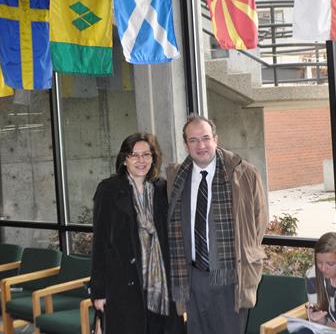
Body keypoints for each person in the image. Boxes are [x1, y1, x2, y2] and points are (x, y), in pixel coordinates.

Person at [167, 114, 268, 333]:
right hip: (191, 278)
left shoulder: (244, 174)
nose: (200, 145)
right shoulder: (177, 177)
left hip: (231, 278)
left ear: (216, 139)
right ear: (186, 145)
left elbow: (259, 222)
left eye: (205, 138)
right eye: (193, 140)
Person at [90, 133, 184, 333]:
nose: (141, 160)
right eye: (135, 155)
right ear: (124, 159)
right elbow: (100, 243)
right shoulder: (109, 190)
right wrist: (98, 291)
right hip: (123, 287)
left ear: (153, 158)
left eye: (146, 155)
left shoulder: (161, 189)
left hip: (161, 287)